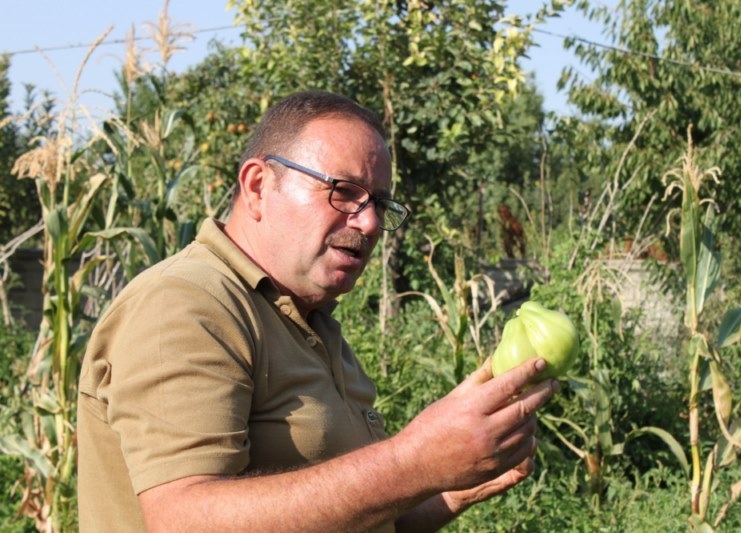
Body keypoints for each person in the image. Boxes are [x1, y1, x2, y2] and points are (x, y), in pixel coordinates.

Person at [77, 90, 559, 532]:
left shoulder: (308, 319)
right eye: (343, 191)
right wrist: (414, 461)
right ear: (259, 185)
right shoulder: (187, 304)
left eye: (380, 203)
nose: (369, 222)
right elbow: (183, 519)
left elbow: (348, 514)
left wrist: (450, 485)